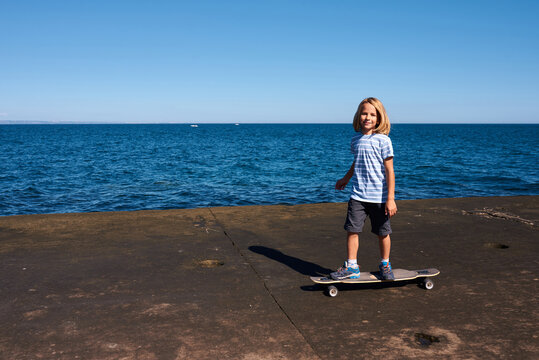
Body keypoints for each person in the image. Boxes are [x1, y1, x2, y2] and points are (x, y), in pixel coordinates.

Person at [331, 97, 397, 281]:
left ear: (379, 118)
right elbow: (357, 162)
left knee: (383, 233)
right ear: (358, 116)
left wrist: (390, 198)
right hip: (358, 196)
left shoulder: (383, 140)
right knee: (352, 230)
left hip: (380, 198)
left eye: (372, 114)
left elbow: (390, 171)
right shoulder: (355, 140)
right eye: (364, 113)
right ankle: (352, 266)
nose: (367, 117)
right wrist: (346, 178)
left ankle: (385, 263)